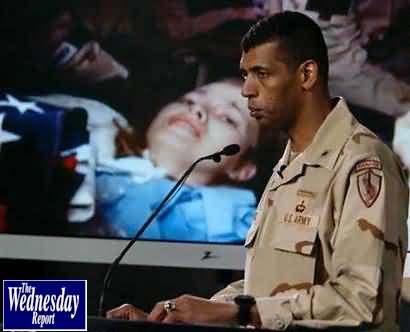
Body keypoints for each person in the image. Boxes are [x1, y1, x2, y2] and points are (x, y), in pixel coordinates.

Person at [106, 11, 408, 331]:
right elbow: (266, 289)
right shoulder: (291, 163)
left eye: (262, 74)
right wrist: (172, 316)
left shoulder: (362, 162)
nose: (247, 89)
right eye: (246, 74)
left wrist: (234, 313)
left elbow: (361, 302)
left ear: (306, 75)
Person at [95, 79, 264, 242]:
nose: (197, 108)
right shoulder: (91, 139)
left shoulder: (238, 235)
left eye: (227, 118)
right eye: (188, 100)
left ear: (243, 169)